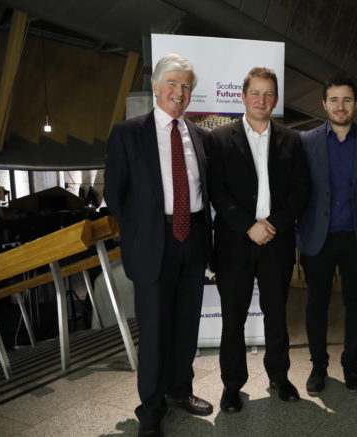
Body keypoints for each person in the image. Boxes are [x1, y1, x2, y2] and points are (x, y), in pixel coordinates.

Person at [104, 53, 213, 437]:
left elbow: (203, 189)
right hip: (154, 242)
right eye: (173, 84)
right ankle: (150, 410)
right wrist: (145, 229)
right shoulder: (128, 133)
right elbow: (114, 195)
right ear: (156, 87)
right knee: (153, 332)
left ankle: (180, 390)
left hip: (193, 237)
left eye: (186, 86)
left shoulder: (197, 135)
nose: (180, 92)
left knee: (186, 325)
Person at [209, 67, 311, 411]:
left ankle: (279, 378)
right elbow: (217, 192)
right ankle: (232, 386)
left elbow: (300, 190)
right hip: (234, 243)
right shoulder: (220, 138)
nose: (262, 100)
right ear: (243, 95)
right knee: (233, 318)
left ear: (276, 100)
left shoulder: (291, 140)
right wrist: (247, 225)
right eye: (256, 93)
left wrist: (274, 225)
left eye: (269, 94)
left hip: (276, 242)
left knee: (276, 315)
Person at [297, 74, 357, 395]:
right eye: (334, 99)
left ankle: (351, 365)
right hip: (317, 239)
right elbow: (300, 188)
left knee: (356, 305)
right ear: (323, 104)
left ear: (356, 104)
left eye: (347, 99)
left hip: (356, 239)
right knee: (316, 305)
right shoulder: (306, 142)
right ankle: (318, 367)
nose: (340, 106)